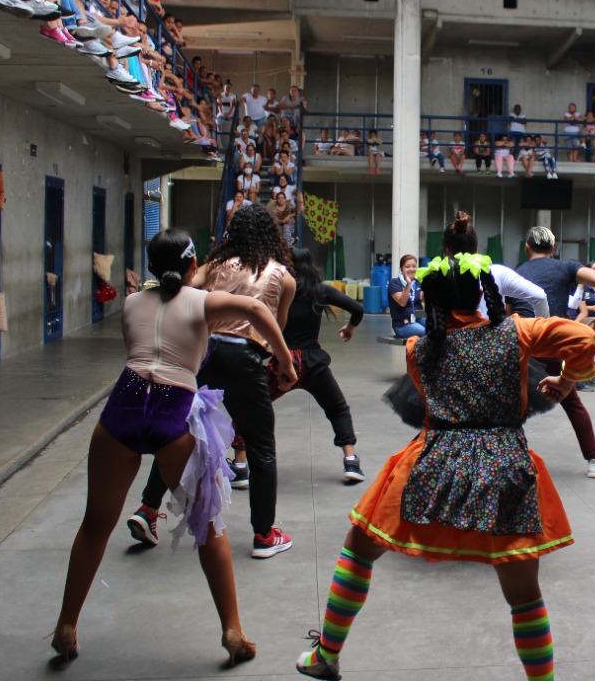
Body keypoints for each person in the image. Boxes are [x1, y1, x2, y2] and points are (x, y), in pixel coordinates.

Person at [293, 252, 595, 681]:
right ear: (482, 293)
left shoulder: (419, 349)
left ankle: (327, 654)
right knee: (525, 598)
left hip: (433, 464)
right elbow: (583, 338)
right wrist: (567, 382)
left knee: (359, 548)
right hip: (505, 467)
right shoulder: (518, 332)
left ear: (430, 298)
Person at [54, 229, 296, 667]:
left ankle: (66, 625)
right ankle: (233, 632)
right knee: (209, 526)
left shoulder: (130, 304)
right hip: (173, 411)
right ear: (191, 265)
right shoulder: (202, 303)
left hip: (123, 408)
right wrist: (283, 358)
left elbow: (160, 311)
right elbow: (258, 309)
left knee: (95, 525)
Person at [127, 205, 297, 560]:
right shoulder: (284, 276)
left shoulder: (217, 265)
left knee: (178, 430)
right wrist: (283, 362)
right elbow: (275, 328)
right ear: (272, 235)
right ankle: (265, 535)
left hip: (203, 353)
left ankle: (147, 508)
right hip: (246, 359)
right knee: (261, 446)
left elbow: (183, 286)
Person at [516, 227, 595, 478]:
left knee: (513, 403)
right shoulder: (565, 267)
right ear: (552, 249)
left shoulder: (517, 272)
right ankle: (594, 460)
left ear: (527, 248)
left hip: (525, 344)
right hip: (555, 344)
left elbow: (507, 312)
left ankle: (505, 458)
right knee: (571, 401)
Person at [276, 248, 366, 483]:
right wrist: (350, 328)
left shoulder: (278, 292)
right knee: (338, 408)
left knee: (251, 408)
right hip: (313, 364)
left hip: (285, 364)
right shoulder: (321, 292)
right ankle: (351, 462)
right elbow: (358, 308)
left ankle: (242, 464)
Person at [388, 254, 426, 338]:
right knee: (426, 332)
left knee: (437, 328)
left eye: (414, 266)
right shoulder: (394, 283)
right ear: (401, 268)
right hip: (403, 323)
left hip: (419, 318)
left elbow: (425, 300)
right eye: (407, 266)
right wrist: (408, 284)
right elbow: (402, 302)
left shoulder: (418, 282)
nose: (411, 269)